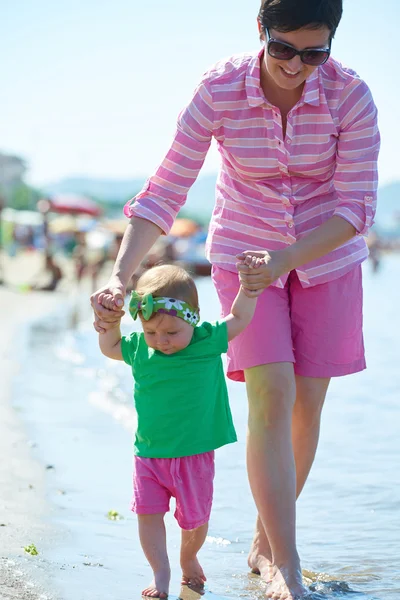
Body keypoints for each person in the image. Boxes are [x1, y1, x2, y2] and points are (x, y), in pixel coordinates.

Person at [91, 0, 380, 598]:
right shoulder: (219, 90)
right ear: (260, 32)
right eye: (283, 49)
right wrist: (123, 273)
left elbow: (355, 208)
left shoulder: (351, 96)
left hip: (326, 260)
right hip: (244, 255)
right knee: (271, 395)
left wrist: (288, 257)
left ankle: (264, 539)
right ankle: (286, 564)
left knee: (306, 407)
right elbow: (167, 187)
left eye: (314, 52)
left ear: (330, 45)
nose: (297, 66)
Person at [97, 263, 259, 598]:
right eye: (152, 332)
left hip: (194, 455)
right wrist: (109, 323)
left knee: (195, 521)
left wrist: (249, 288)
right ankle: (161, 573)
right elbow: (111, 347)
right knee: (147, 515)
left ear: (193, 317)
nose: (162, 341)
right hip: (149, 455)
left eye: (171, 333)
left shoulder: (207, 340)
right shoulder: (141, 347)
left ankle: (188, 557)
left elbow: (239, 319)